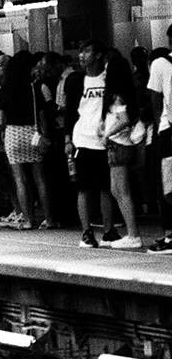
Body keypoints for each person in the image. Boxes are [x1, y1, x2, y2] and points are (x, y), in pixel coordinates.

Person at [66, 40, 120, 248]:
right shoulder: (77, 80)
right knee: (84, 188)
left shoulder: (107, 79)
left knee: (106, 188)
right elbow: (71, 111)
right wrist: (68, 140)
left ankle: (108, 230)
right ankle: (86, 232)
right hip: (83, 140)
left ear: (98, 55)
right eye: (80, 51)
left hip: (105, 140)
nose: (81, 55)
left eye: (86, 51)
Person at [0, 50, 56, 230]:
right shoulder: (34, 87)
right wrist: (45, 134)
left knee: (19, 179)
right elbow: (43, 114)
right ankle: (49, 219)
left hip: (13, 134)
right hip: (33, 133)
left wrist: (0, 134)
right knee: (40, 178)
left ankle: (28, 220)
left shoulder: (4, 88)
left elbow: (1, 119)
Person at [99, 52, 144, 249]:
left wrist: (107, 133)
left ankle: (133, 234)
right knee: (116, 189)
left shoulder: (116, 96)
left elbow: (123, 119)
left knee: (121, 191)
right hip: (120, 146)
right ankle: (131, 233)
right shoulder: (127, 93)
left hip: (118, 145)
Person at [147, 26, 172, 253]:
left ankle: (170, 235)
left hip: (168, 132)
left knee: (168, 184)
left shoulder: (160, 64)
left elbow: (155, 98)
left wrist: (158, 127)